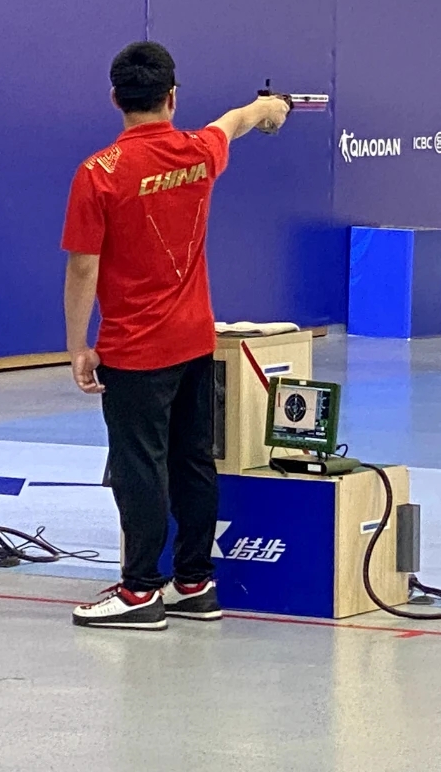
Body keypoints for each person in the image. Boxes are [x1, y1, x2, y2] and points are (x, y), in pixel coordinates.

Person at [61, 41, 290, 630]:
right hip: (194, 343)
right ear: (171, 97)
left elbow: (83, 267)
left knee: (139, 467)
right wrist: (268, 109)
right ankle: (193, 582)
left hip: (134, 351)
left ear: (115, 98)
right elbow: (234, 121)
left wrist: (78, 346)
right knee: (193, 461)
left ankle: (140, 591)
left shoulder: (97, 173)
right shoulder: (198, 151)